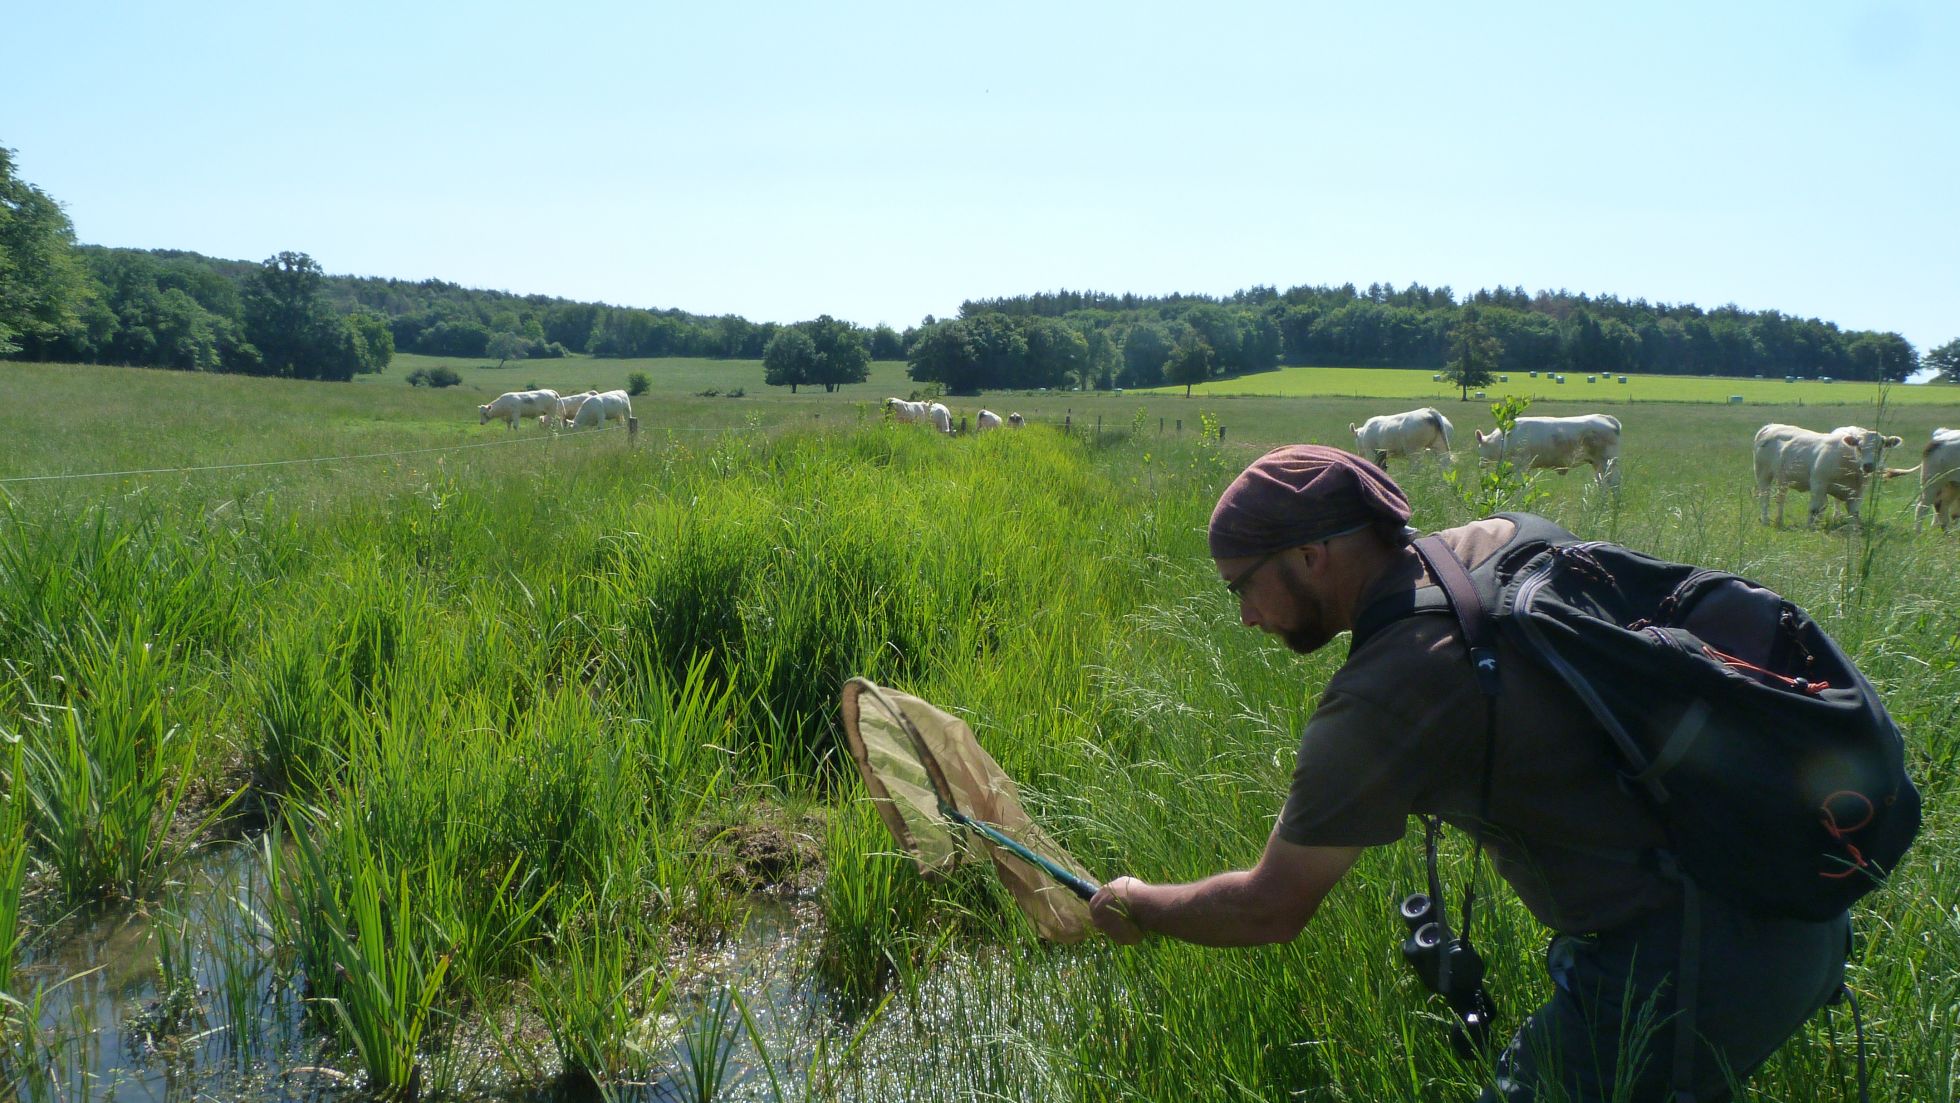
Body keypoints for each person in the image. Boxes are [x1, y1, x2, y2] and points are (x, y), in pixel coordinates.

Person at [1088, 444, 1849, 1102]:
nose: (1245, 617)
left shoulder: (1382, 694)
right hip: (1786, 899)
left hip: (1685, 964)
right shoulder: (1511, 539)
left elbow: (1269, 908)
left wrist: (1138, 903)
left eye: (1240, 587)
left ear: (1311, 556)